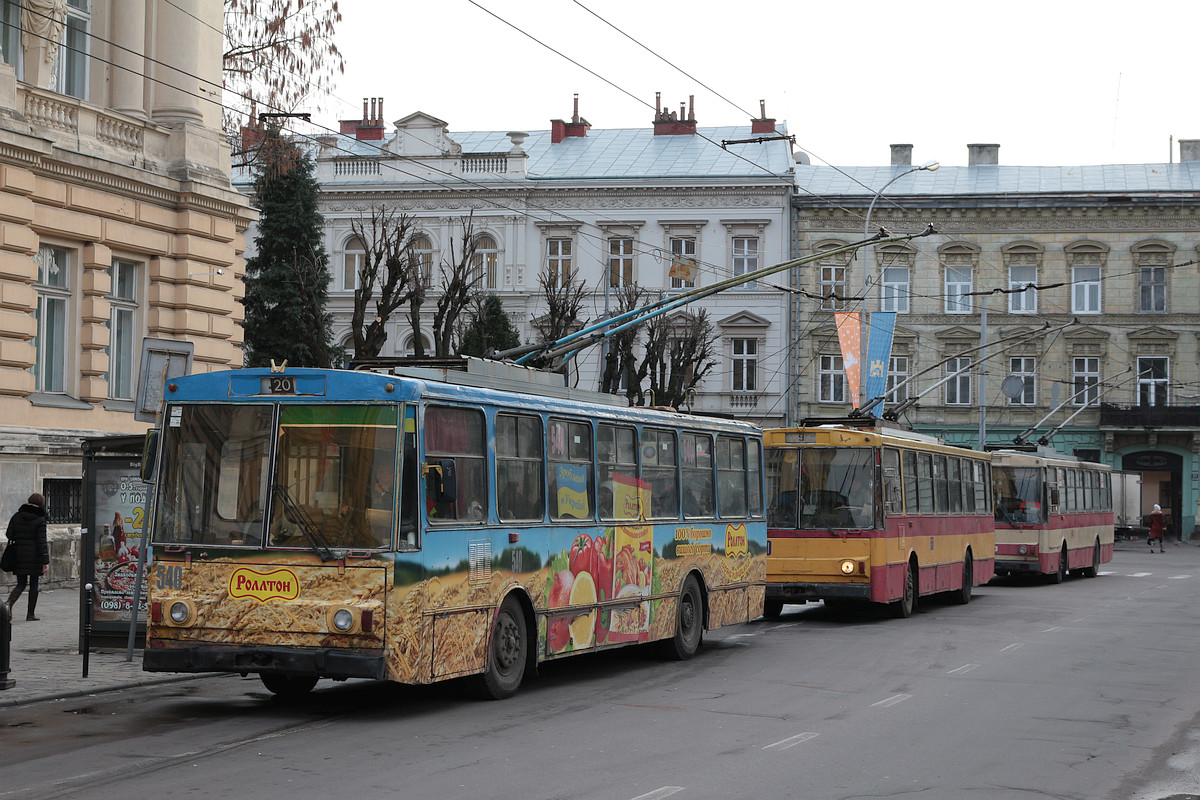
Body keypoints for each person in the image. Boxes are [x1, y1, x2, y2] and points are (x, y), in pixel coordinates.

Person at [5, 493, 49, 621]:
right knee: (34, 584)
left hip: (19, 554)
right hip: (35, 557)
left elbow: (9, 535)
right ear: (41, 503)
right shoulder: (40, 519)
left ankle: (8, 606)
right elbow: (42, 542)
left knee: (21, 583)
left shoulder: (17, 516)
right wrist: (45, 561)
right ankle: (30, 614)